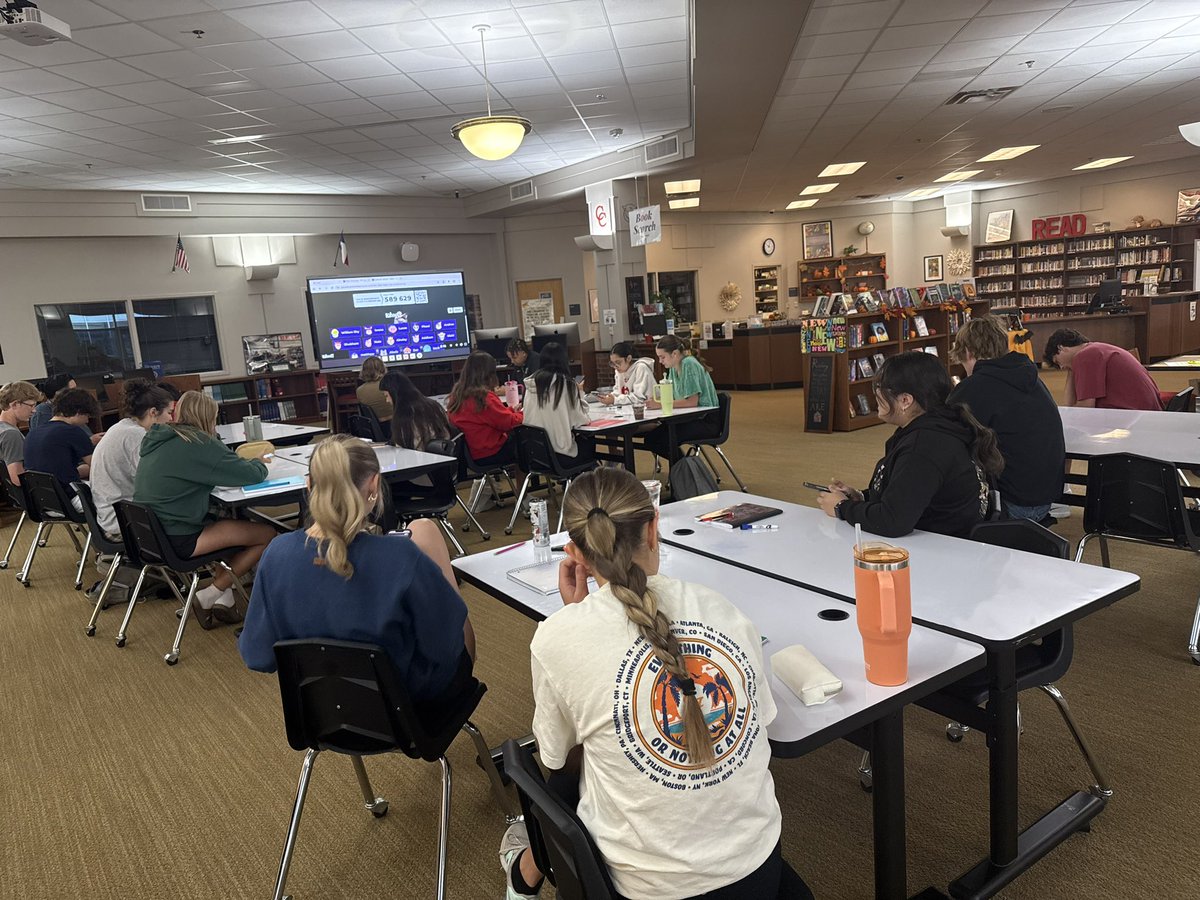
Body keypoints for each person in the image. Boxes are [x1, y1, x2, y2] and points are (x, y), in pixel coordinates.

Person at [500, 467, 811, 900]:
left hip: (646, 890)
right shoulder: (726, 612)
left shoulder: (556, 638)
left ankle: (523, 874)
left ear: (576, 554)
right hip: (759, 871)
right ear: (653, 527)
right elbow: (762, 726)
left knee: (578, 765)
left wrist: (576, 618)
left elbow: (555, 760)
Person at [239, 435, 475, 703]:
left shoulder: (275, 555)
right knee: (427, 535)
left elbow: (258, 655)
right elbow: (446, 650)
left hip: (320, 714)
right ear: (374, 484)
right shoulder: (401, 557)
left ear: (308, 485)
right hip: (408, 711)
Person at [818, 351, 1004, 538]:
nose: (875, 393)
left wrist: (842, 508)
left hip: (940, 550)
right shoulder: (937, 427)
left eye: (881, 388)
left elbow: (892, 522)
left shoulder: (924, 446)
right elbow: (910, 490)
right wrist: (861, 497)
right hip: (946, 541)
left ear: (905, 400)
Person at [133, 391, 278, 628]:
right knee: (266, 535)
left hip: (150, 534)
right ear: (210, 417)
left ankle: (226, 602)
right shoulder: (197, 442)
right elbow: (250, 475)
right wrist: (259, 462)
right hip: (178, 536)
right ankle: (209, 594)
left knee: (227, 526)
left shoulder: (160, 439)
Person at [950, 316, 1065, 523]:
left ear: (967, 352)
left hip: (1010, 505)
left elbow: (945, 438)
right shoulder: (1030, 377)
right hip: (1045, 497)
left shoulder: (974, 388)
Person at [89, 379, 176, 538]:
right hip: (126, 522)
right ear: (153, 412)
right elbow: (158, 485)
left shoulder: (122, 427)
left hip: (114, 514)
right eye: (169, 413)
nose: (171, 419)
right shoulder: (137, 436)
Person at [1042, 329, 1162, 410]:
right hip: (1145, 410)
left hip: (1135, 415)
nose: (1062, 367)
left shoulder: (1085, 357)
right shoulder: (1096, 349)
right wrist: (1071, 371)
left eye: (1058, 361)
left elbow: (1085, 408)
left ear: (1061, 348)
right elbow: (1071, 407)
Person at [642, 334, 720, 460]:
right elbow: (674, 396)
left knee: (663, 440)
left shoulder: (688, 364)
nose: (660, 361)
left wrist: (661, 405)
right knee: (651, 439)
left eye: (662, 357)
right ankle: (685, 467)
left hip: (705, 420)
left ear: (674, 354)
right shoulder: (673, 367)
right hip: (690, 417)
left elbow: (691, 402)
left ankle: (685, 469)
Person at [519, 341, 593, 464]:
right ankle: (580, 481)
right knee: (589, 442)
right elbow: (581, 420)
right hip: (560, 456)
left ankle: (570, 482)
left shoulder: (530, 384)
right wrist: (580, 393)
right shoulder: (566, 385)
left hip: (534, 456)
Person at [447, 351, 523, 466]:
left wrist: (512, 411)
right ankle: (525, 482)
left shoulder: (456, 396)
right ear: (489, 373)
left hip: (471, 454)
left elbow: (492, 417)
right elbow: (508, 423)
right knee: (524, 441)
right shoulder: (483, 397)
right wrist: (525, 413)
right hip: (490, 452)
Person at [22, 387, 100, 491]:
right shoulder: (73, 431)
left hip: (44, 499)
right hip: (70, 496)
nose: (87, 421)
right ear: (78, 411)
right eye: (87, 415)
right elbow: (99, 468)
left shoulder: (33, 433)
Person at [379, 369, 452, 451]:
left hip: (421, 458)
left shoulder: (404, 416)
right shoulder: (433, 405)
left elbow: (404, 447)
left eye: (386, 396)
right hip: (443, 455)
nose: (387, 400)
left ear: (394, 393)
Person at [0, 381, 41, 484]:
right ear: (15, 404)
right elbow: (18, 479)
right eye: (31, 405)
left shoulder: (4, 430)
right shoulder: (10, 434)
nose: (34, 410)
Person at [599, 341, 657, 406]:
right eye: (612, 363)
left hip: (648, 409)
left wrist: (615, 400)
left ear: (628, 358)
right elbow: (618, 391)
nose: (615, 367)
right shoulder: (619, 370)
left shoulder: (641, 367)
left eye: (618, 362)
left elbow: (639, 398)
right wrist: (609, 397)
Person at [355, 356, 394, 423]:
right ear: (382, 369)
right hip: (396, 425)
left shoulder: (359, 391)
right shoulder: (391, 385)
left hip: (376, 428)